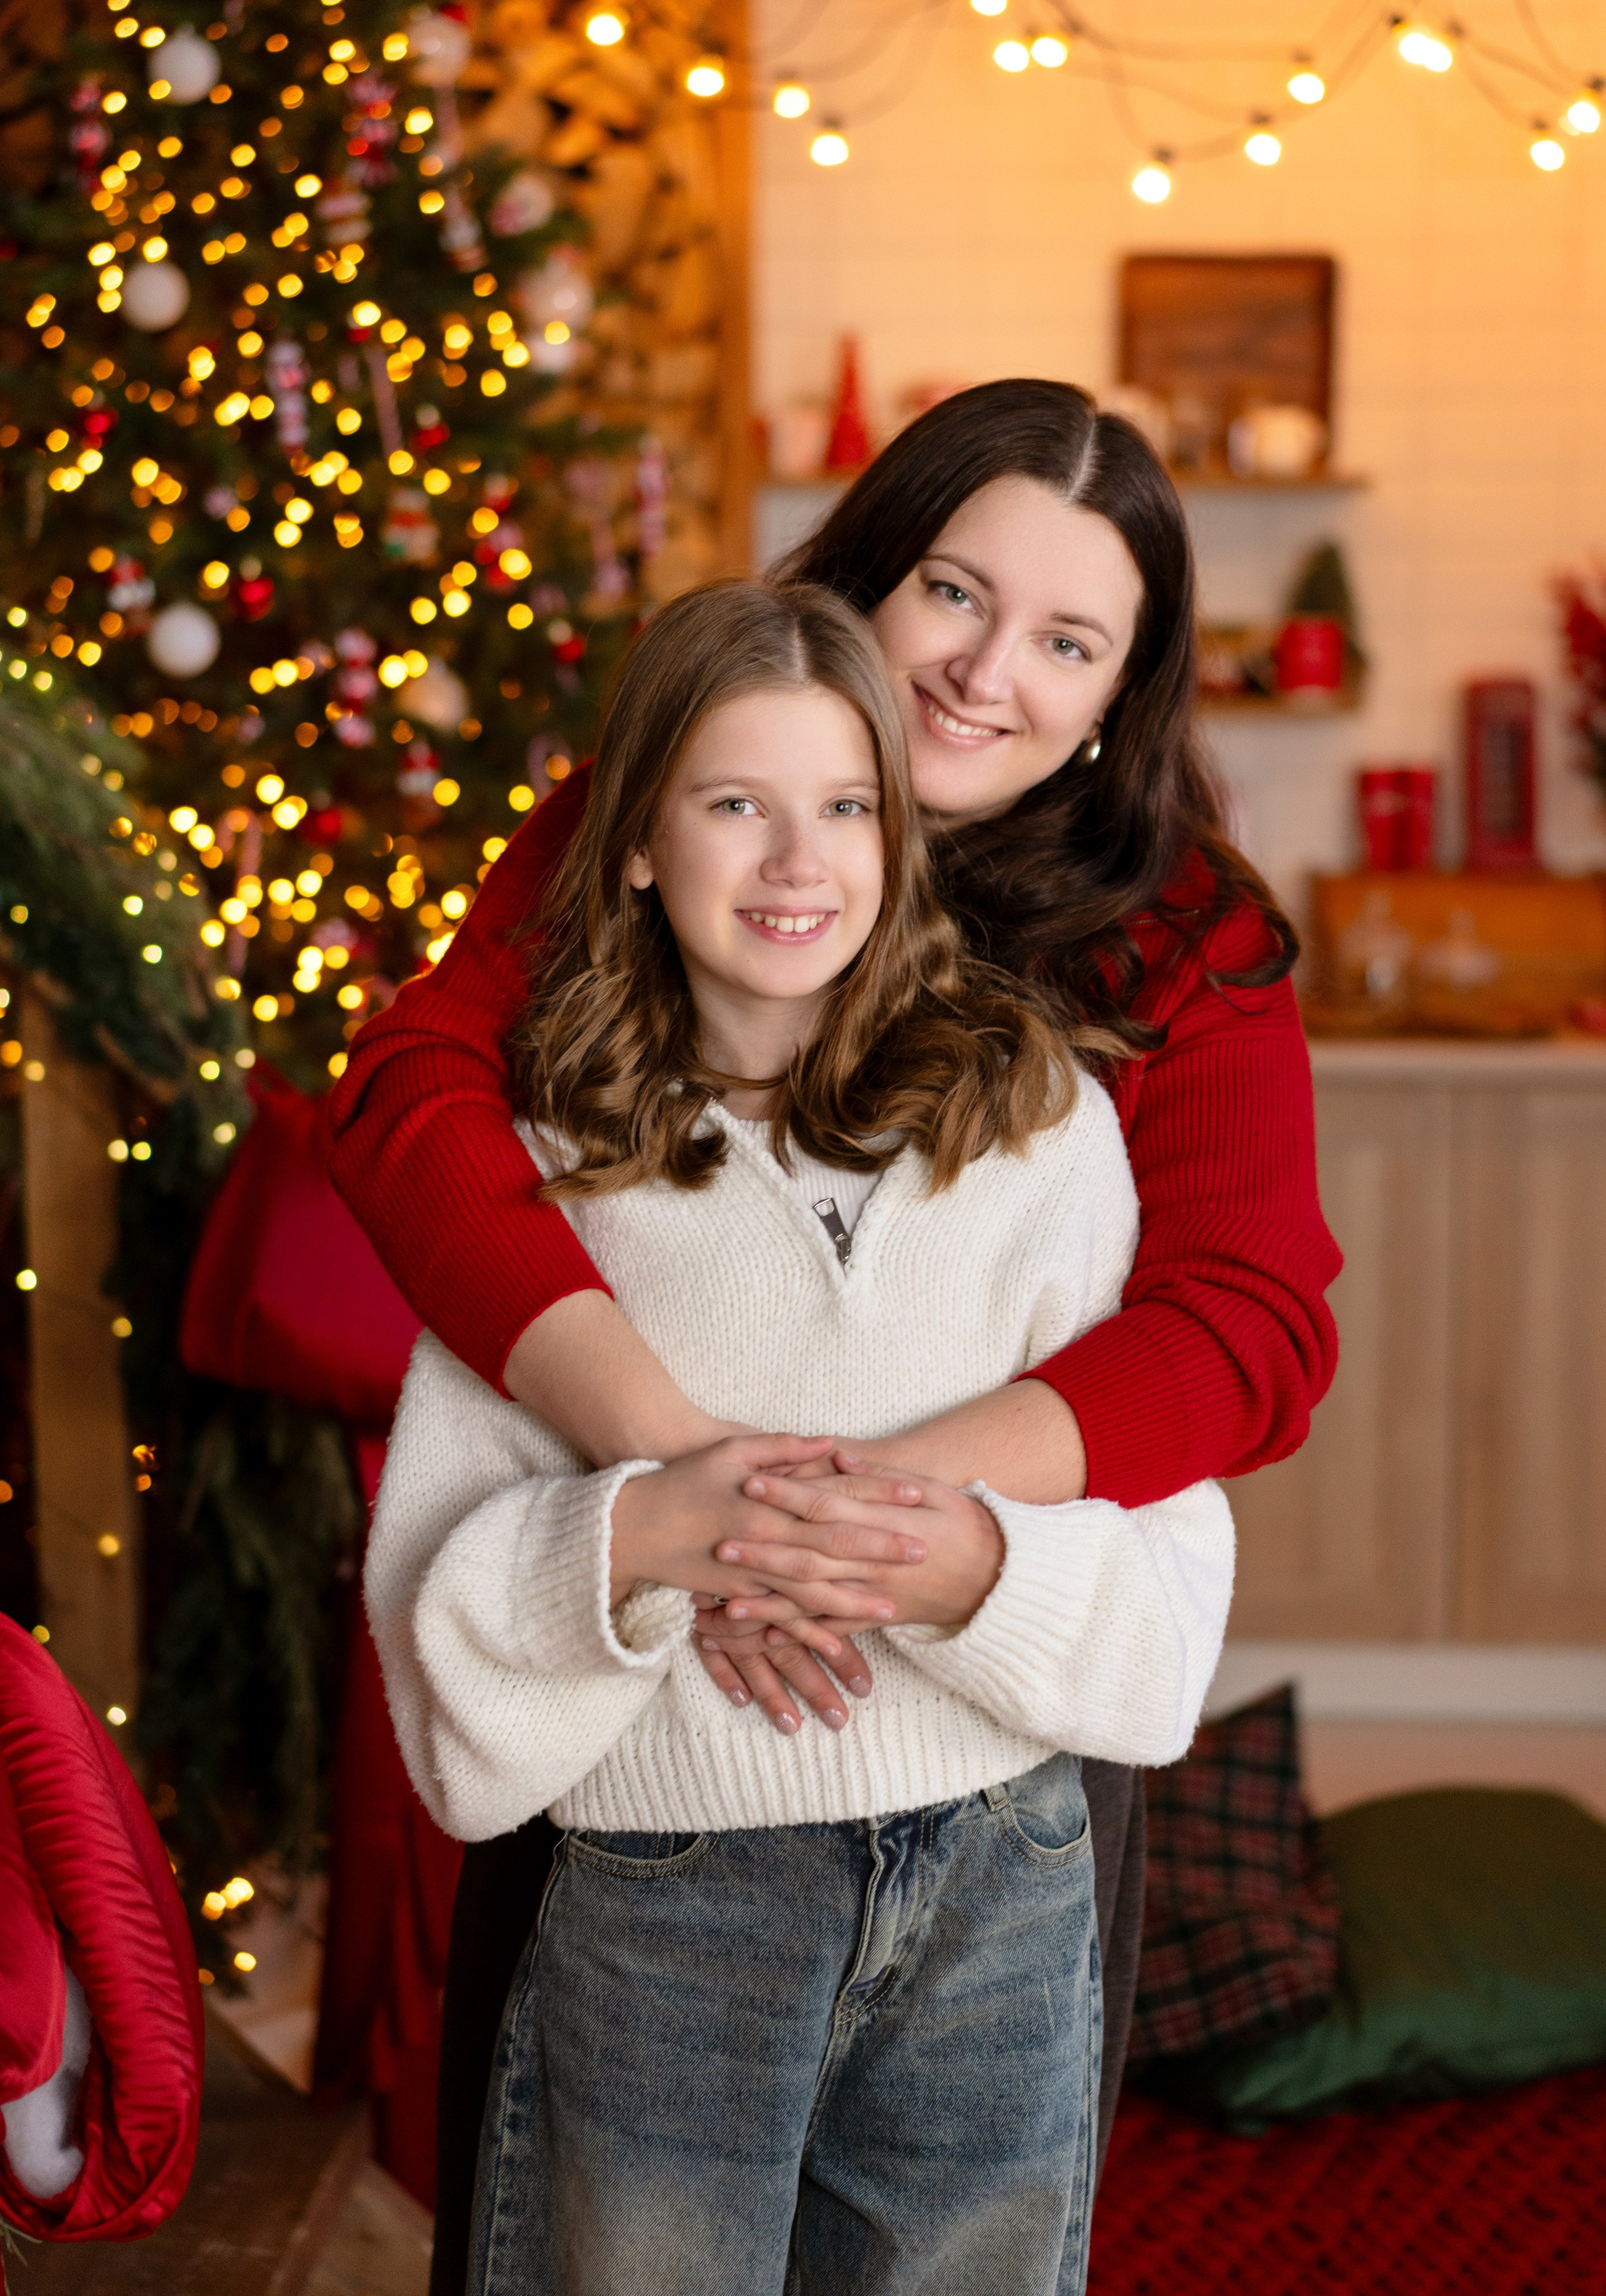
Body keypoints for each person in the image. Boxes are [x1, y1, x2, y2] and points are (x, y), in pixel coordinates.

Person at [329, 379, 1341, 2279]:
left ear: (1124, 693)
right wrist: (675, 1466)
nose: (985, 674)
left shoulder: (1180, 939)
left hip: (980, 1729)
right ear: (867, 580)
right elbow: (414, 1098)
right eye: (956, 594)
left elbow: (1248, 1328)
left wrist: (850, 1519)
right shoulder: (679, 808)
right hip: (649, 1752)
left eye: (1068, 640)